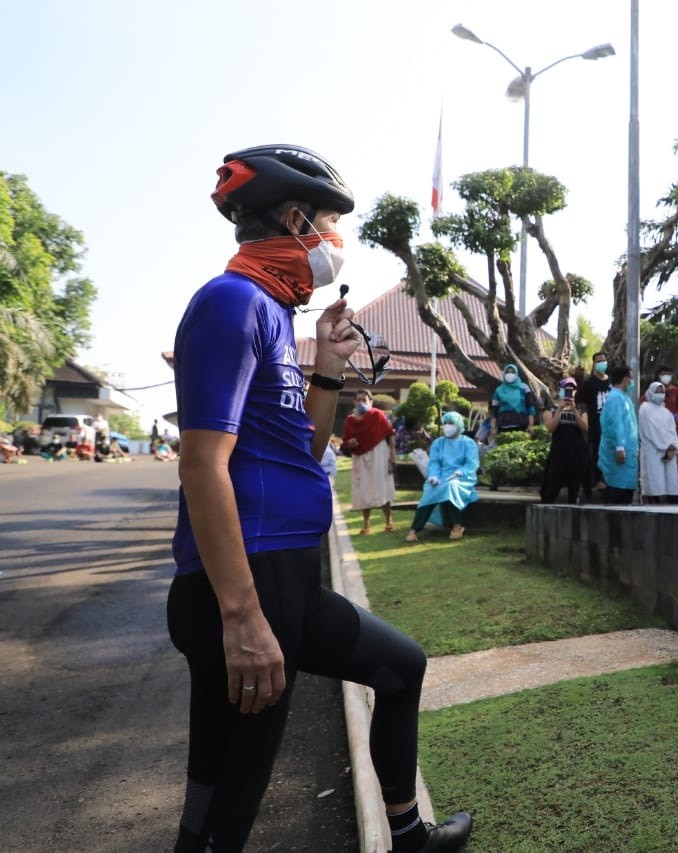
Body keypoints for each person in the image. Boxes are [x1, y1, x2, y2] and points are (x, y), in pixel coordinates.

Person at [167, 144, 470, 852]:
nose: (337, 244)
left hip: (292, 580)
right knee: (225, 808)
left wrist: (327, 371)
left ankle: (407, 835)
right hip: (252, 583)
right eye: (332, 225)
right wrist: (242, 616)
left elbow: (300, 451)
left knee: (402, 667)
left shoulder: (273, 314)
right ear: (297, 218)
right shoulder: (230, 302)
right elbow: (201, 465)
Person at [406, 412, 479, 542]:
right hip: (441, 476)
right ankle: (415, 528)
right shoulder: (438, 443)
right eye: (445, 423)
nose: (447, 426)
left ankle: (457, 525)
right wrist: (433, 476)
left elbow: (471, 464)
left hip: (462, 477)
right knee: (430, 490)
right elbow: (434, 462)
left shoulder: (468, 443)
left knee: (451, 487)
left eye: (451, 423)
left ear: (459, 425)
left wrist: (460, 472)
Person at [343, 389, 396, 536]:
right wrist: (350, 443)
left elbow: (390, 434)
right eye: (358, 399)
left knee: (382, 487)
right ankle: (366, 524)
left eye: (364, 400)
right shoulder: (350, 420)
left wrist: (392, 455)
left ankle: (388, 521)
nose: (361, 402)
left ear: (370, 402)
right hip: (360, 457)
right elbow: (346, 440)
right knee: (363, 490)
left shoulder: (378, 415)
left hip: (379, 454)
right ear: (354, 402)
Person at [540, 377, 590, 504]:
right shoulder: (550, 408)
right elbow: (551, 427)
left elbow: (585, 427)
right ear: (560, 390)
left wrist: (574, 409)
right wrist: (560, 409)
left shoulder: (580, 407)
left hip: (577, 451)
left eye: (572, 389)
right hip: (559, 451)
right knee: (553, 483)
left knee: (574, 486)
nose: (569, 392)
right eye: (566, 389)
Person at [597, 364, 639, 504]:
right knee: (617, 493)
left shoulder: (623, 397)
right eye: (631, 378)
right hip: (619, 453)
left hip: (627, 453)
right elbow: (616, 425)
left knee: (625, 492)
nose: (632, 382)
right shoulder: (616, 398)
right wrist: (619, 448)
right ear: (625, 379)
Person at [638, 381, 678, 503]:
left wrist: (673, 447)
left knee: (671, 484)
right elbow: (651, 431)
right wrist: (666, 447)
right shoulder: (645, 409)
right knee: (654, 484)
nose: (660, 394)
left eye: (662, 391)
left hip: (669, 452)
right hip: (653, 451)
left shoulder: (666, 412)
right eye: (657, 391)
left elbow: (672, 431)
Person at [576, 353, 612, 498]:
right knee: (596, 452)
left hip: (611, 424)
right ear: (594, 364)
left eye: (604, 360)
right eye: (598, 361)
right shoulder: (588, 383)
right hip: (595, 425)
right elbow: (579, 401)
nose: (602, 363)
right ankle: (597, 480)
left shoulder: (611, 382)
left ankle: (608, 478)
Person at [489, 363, 537, 436]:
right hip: (503, 426)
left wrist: (531, 425)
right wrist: (493, 428)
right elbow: (494, 411)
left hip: (522, 426)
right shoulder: (499, 390)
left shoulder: (524, 388)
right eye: (508, 372)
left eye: (512, 372)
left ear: (517, 374)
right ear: (504, 373)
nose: (510, 374)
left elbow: (530, 407)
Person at [658, 366, 678, 481]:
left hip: (675, 427)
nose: (666, 376)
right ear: (659, 375)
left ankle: (676, 476)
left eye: (669, 374)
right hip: (660, 428)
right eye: (664, 374)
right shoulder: (655, 391)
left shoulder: (676, 392)